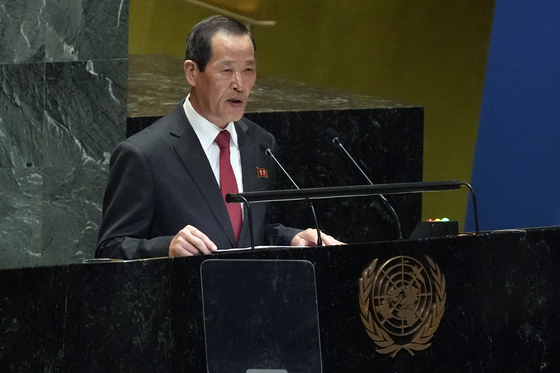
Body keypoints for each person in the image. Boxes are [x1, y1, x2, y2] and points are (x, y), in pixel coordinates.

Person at [96, 15, 342, 259]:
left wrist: (292, 238)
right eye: (227, 70)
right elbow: (110, 249)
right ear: (192, 72)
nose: (240, 84)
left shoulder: (260, 142)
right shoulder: (144, 154)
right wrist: (166, 248)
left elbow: (252, 231)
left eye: (248, 70)